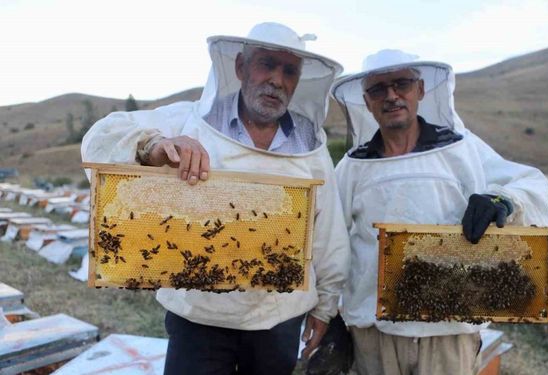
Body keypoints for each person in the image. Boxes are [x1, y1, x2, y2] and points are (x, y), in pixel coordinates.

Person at [81, 22, 349, 375]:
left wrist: (323, 308)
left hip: (278, 321)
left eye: (289, 71)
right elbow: (100, 138)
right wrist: (154, 145)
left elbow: (328, 232)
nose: (277, 80)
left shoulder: (311, 148)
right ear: (240, 67)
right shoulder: (189, 121)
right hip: (198, 319)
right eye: (266, 64)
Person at [332, 49, 548, 375]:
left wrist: (501, 200)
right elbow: (333, 242)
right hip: (374, 331)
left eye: (401, 84)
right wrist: (332, 315)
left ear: (420, 90)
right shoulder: (352, 166)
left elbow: (530, 184)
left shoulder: (461, 148)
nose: (391, 96)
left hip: (450, 330)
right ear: (366, 100)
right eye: (378, 89)